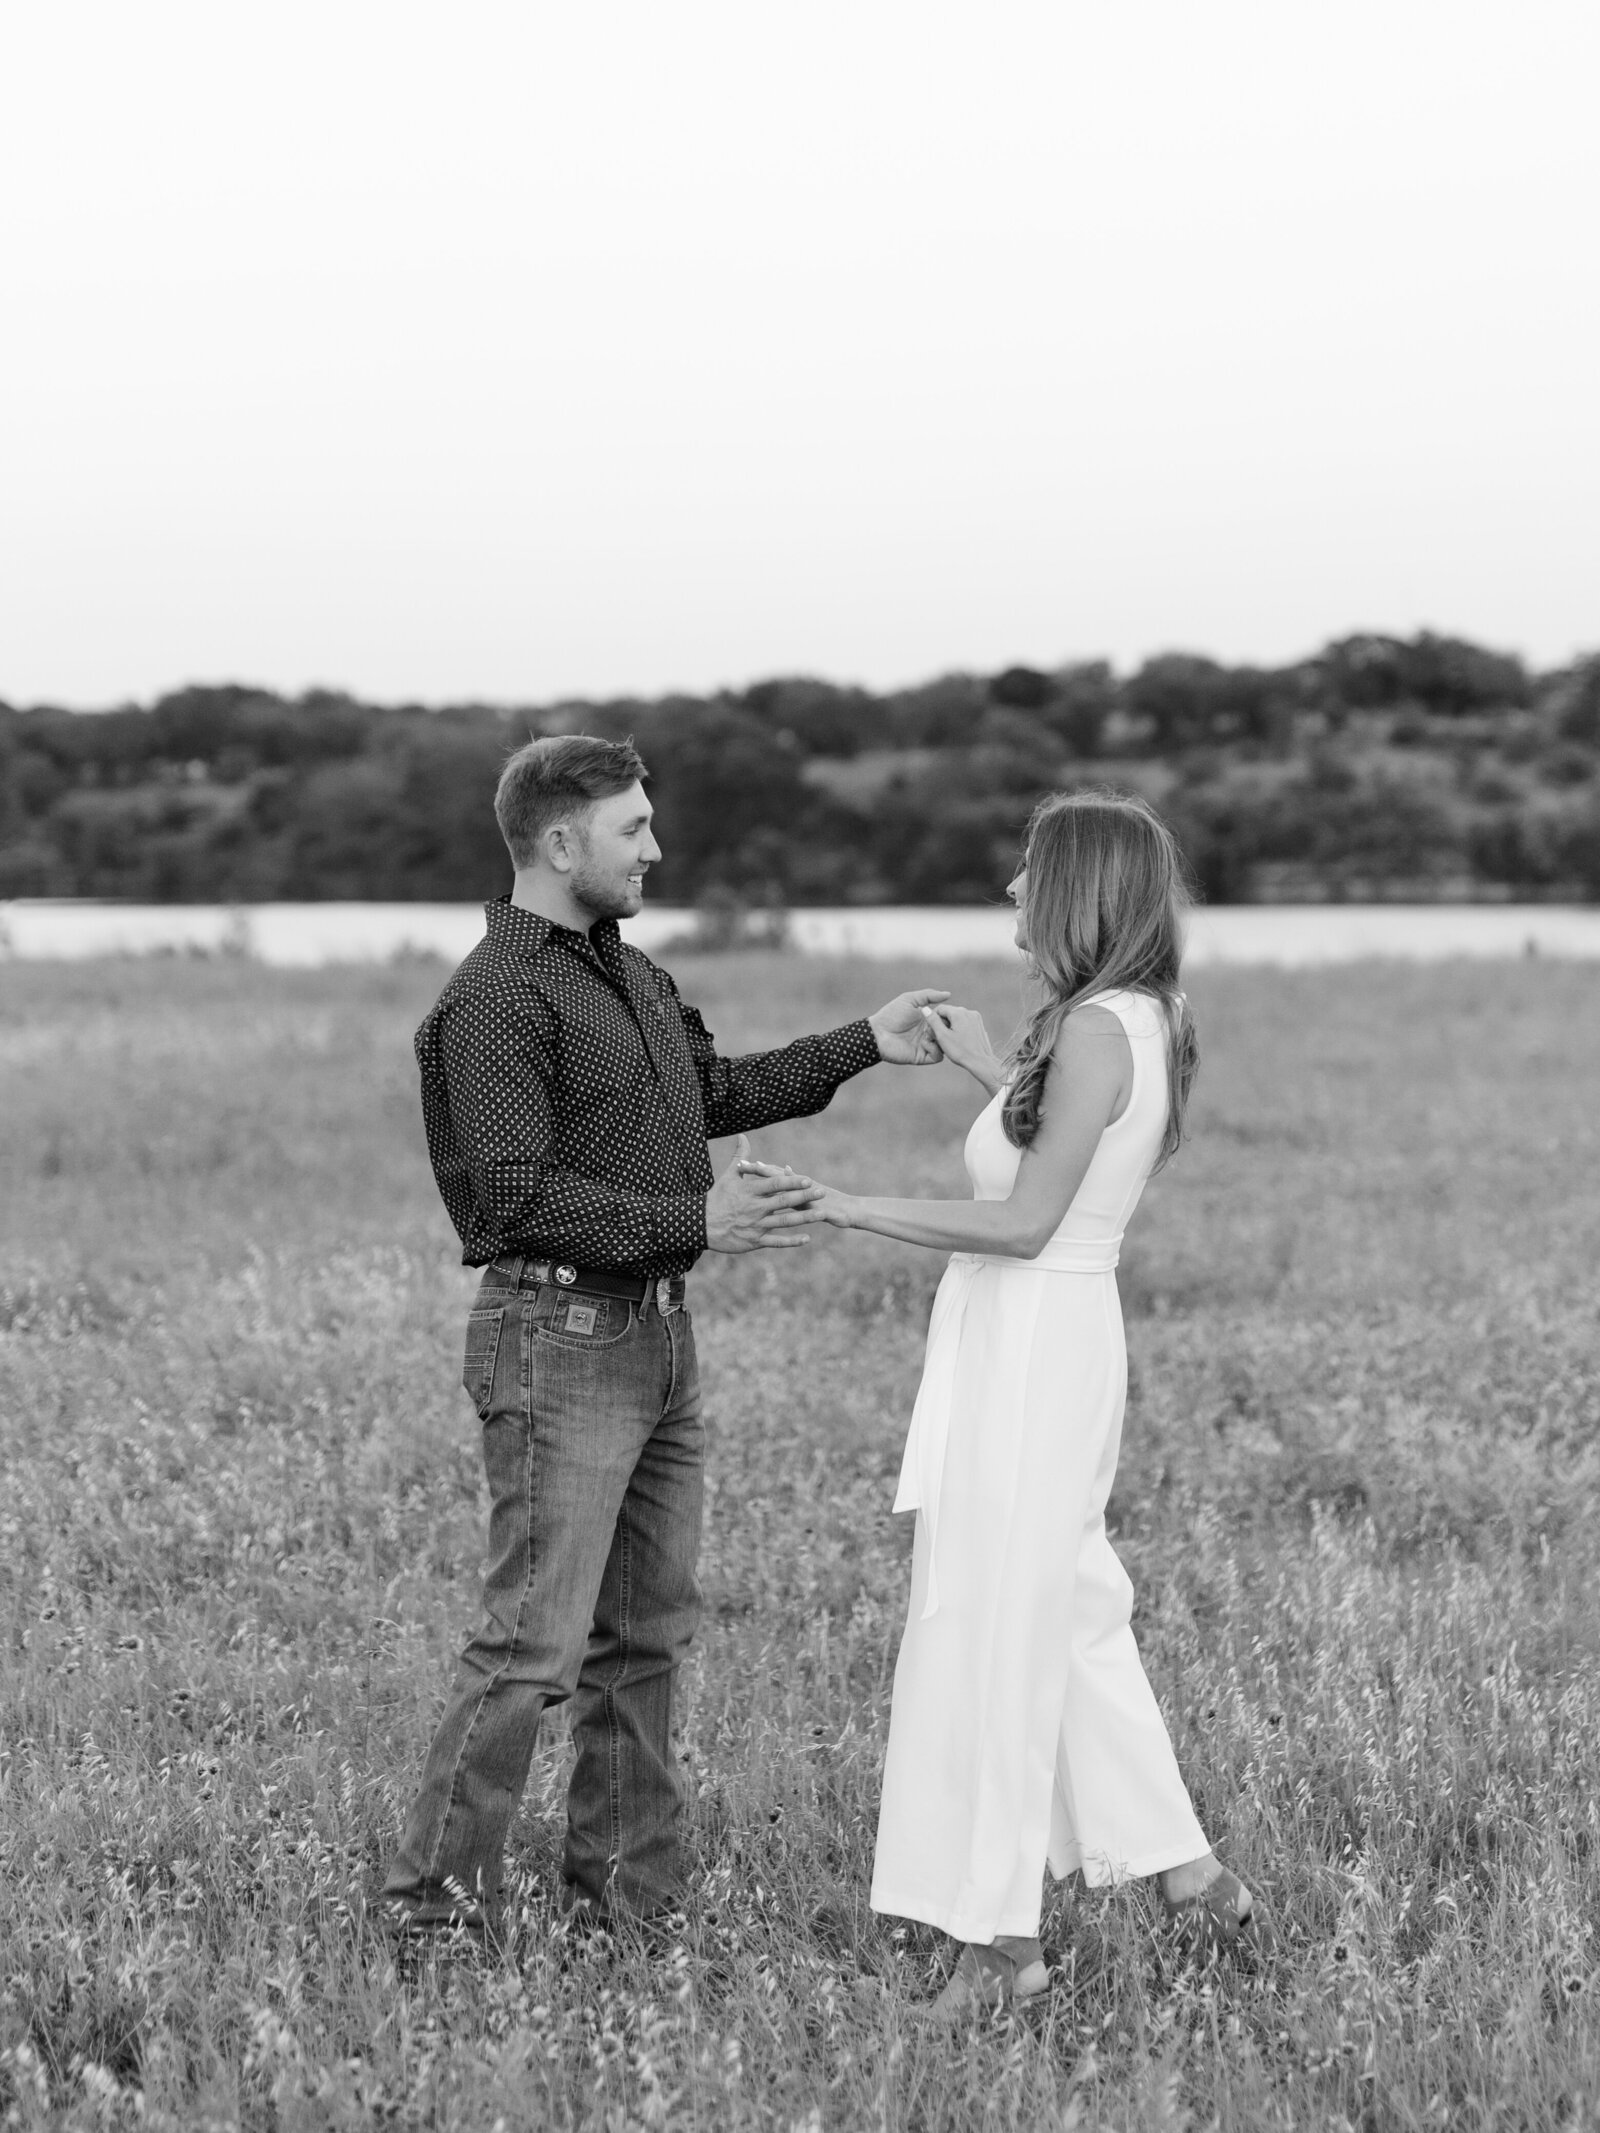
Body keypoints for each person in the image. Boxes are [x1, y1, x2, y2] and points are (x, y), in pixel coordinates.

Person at [382, 733, 947, 1943]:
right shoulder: (491, 1000)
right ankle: (431, 1923)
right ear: (558, 841)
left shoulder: (626, 976)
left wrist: (864, 1042)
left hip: (658, 1340)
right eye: (633, 829)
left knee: (641, 1644)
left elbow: (714, 1095)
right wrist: (700, 1219)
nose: (656, 848)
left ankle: (627, 1912)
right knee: (528, 1650)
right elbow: (502, 1202)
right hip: (556, 1336)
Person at [783, 790, 1271, 2016]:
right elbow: (1070, 1143)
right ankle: (1195, 1880)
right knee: (1062, 1611)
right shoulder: (1129, 1021)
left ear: (1074, 892)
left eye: (1025, 873)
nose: (1009, 891)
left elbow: (1024, 1220)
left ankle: (1000, 1950)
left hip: (1037, 1337)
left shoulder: (1101, 1032)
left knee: (1002, 1627)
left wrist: (842, 1205)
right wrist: (979, 1065)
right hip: (1044, 1335)